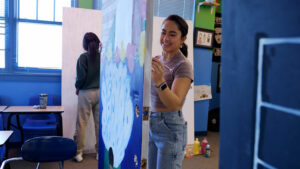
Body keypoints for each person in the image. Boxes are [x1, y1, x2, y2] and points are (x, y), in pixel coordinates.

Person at [148, 15, 193, 169]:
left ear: (183, 38)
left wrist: (160, 81)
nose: (165, 38)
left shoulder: (183, 65)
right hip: (152, 122)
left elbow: (175, 103)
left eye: (172, 34)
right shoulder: (156, 60)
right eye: (163, 32)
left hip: (170, 125)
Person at [74, 32, 101, 162]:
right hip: (100, 92)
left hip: (85, 93)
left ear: (85, 44)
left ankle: (79, 153)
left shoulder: (83, 58)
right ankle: (99, 153)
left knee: (82, 123)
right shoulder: (102, 57)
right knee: (99, 124)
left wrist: (77, 87)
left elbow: (81, 78)